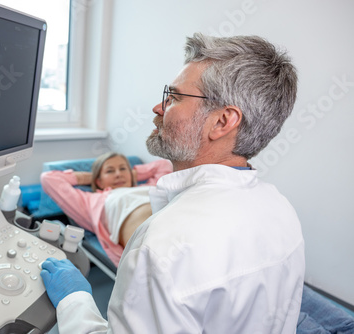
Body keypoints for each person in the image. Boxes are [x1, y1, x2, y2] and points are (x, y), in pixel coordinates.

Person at [40, 33, 305, 333]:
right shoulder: (281, 208)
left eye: (175, 97)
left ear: (221, 122)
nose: (158, 107)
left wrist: (74, 301)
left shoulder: (161, 247)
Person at [40, 152, 172, 266]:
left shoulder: (150, 186)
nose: (118, 174)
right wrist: (91, 177)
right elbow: (48, 178)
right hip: (151, 234)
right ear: (99, 182)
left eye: (123, 169)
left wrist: (131, 176)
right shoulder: (91, 201)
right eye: (110, 171)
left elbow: (165, 165)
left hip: (175, 214)